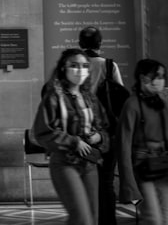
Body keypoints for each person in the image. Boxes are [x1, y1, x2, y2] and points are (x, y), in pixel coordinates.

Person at [32, 47, 109, 225]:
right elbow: (42, 132)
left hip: (89, 162)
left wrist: (99, 137)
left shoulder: (90, 97)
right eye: (74, 65)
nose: (79, 70)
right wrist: (74, 142)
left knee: (93, 218)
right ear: (63, 68)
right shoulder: (53, 97)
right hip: (65, 162)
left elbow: (104, 128)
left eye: (83, 66)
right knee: (81, 218)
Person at [79, 25, 125, 225]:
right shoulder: (109, 66)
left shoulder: (75, 66)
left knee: (85, 181)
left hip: (83, 132)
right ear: (101, 43)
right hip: (107, 131)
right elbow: (121, 96)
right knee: (106, 182)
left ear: (80, 44)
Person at [118, 59, 168, 225]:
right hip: (143, 168)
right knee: (152, 218)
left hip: (164, 166)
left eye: (162, 76)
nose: (159, 80)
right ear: (142, 78)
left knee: (165, 216)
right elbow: (124, 146)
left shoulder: (163, 103)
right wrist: (129, 183)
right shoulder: (132, 105)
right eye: (155, 76)